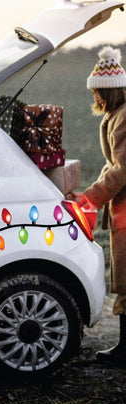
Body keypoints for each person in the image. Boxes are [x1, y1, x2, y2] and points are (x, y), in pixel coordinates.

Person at [74, 46, 126, 364]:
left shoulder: (123, 118)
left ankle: (124, 351)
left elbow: (121, 169)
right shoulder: (117, 115)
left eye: (99, 93)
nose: (97, 100)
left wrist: (90, 198)